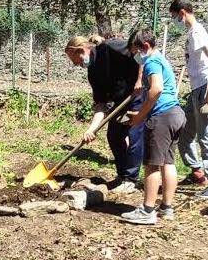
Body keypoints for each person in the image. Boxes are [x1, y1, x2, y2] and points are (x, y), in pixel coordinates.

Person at [120, 28, 185, 224]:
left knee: (151, 164)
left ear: (145, 47)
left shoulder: (152, 62)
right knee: (168, 163)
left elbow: (156, 89)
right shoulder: (161, 59)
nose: (136, 57)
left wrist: (141, 115)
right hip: (176, 114)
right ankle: (166, 207)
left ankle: (147, 211)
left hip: (162, 117)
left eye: (136, 52)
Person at [65, 35, 143, 193]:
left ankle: (131, 179)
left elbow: (141, 54)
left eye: (77, 61)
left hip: (138, 96)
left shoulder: (110, 47)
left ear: (81, 50)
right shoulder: (93, 73)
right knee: (114, 135)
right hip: (120, 103)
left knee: (134, 135)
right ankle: (122, 176)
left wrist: (140, 80)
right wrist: (91, 129)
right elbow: (100, 104)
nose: (77, 65)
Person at [170, 0, 208, 197]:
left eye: (175, 16)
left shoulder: (198, 32)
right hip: (197, 88)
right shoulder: (192, 33)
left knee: (206, 135)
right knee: (185, 133)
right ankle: (197, 171)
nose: (175, 20)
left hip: (205, 88)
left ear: (182, 12)